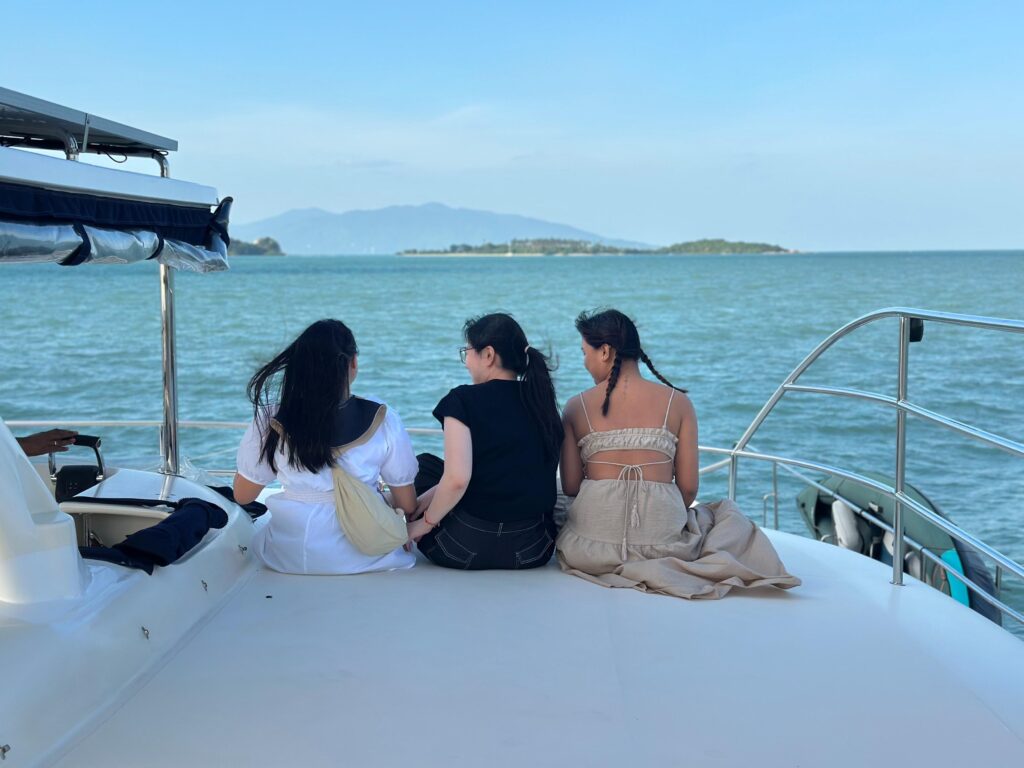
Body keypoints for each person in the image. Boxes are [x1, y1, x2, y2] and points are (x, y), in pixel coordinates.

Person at [557, 309, 800, 598]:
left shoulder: (576, 407)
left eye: (585, 353)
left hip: (591, 548)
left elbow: (571, 487)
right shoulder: (679, 403)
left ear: (605, 351)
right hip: (663, 544)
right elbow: (688, 488)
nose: (584, 362)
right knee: (725, 514)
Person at [233, 319, 418, 575]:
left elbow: (243, 496)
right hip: (364, 555)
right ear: (353, 363)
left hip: (287, 554)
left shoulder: (271, 418)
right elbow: (408, 505)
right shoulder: (382, 417)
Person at [408, 313, 563, 570]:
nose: (466, 361)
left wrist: (423, 524)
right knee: (440, 473)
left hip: (463, 548)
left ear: (488, 355)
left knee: (424, 466)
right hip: (533, 549)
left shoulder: (462, 400)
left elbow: (458, 479)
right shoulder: (542, 403)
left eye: (467, 351)